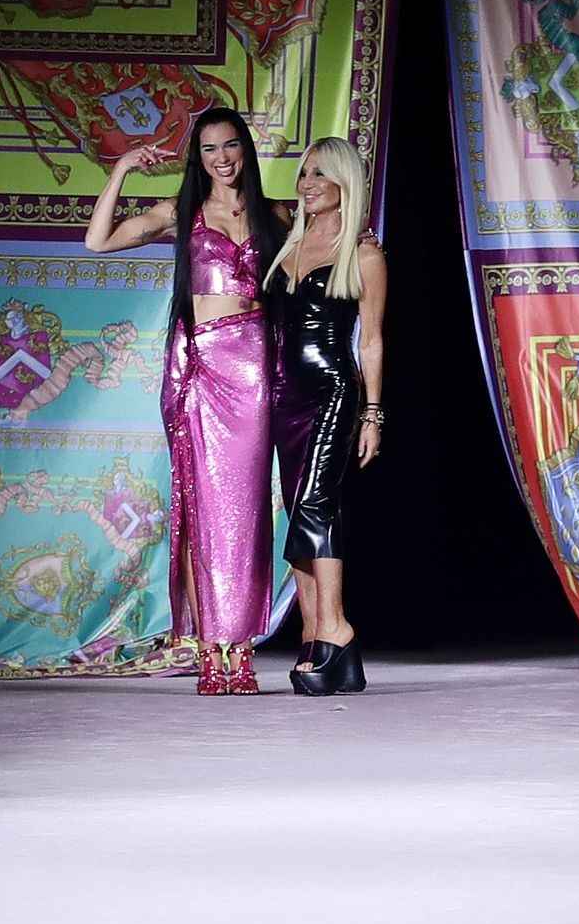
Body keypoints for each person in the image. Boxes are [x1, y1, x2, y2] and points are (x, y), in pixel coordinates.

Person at [85, 109, 286, 696]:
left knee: (246, 511)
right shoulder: (182, 213)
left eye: (231, 146)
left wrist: (363, 238)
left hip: (255, 372)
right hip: (202, 368)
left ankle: (241, 648)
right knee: (202, 510)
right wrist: (122, 169)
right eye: (209, 149)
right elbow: (98, 241)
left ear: (246, 149)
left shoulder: (276, 214)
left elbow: (336, 232)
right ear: (198, 158)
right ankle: (209, 652)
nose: (222, 158)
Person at [265, 137, 385, 696]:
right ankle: (316, 635)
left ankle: (335, 630)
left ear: (344, 181)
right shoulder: (288, 235)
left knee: (315, 506)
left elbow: (373, 340)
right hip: (283, 395)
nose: (308, 183)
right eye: (304, 173)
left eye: (320, 174)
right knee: (300, 511)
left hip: (334, 391)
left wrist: (373, 414)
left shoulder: (364, 253)